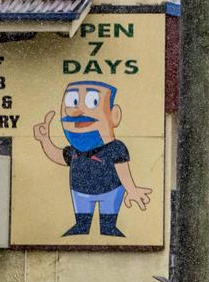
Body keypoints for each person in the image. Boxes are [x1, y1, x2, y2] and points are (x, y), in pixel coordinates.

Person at [32, 80, 151, 237]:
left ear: (114, 115)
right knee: (82, 220)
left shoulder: (115, 148)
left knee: (108, 222)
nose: (75, 111)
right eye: (72, 101)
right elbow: (57, 155)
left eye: (92, 101)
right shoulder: (75, 150)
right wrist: (44, 139)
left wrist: (132, 190)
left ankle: (109, 227)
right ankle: (82, 225)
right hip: (80, 191)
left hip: (111, 190)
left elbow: (123, 172)